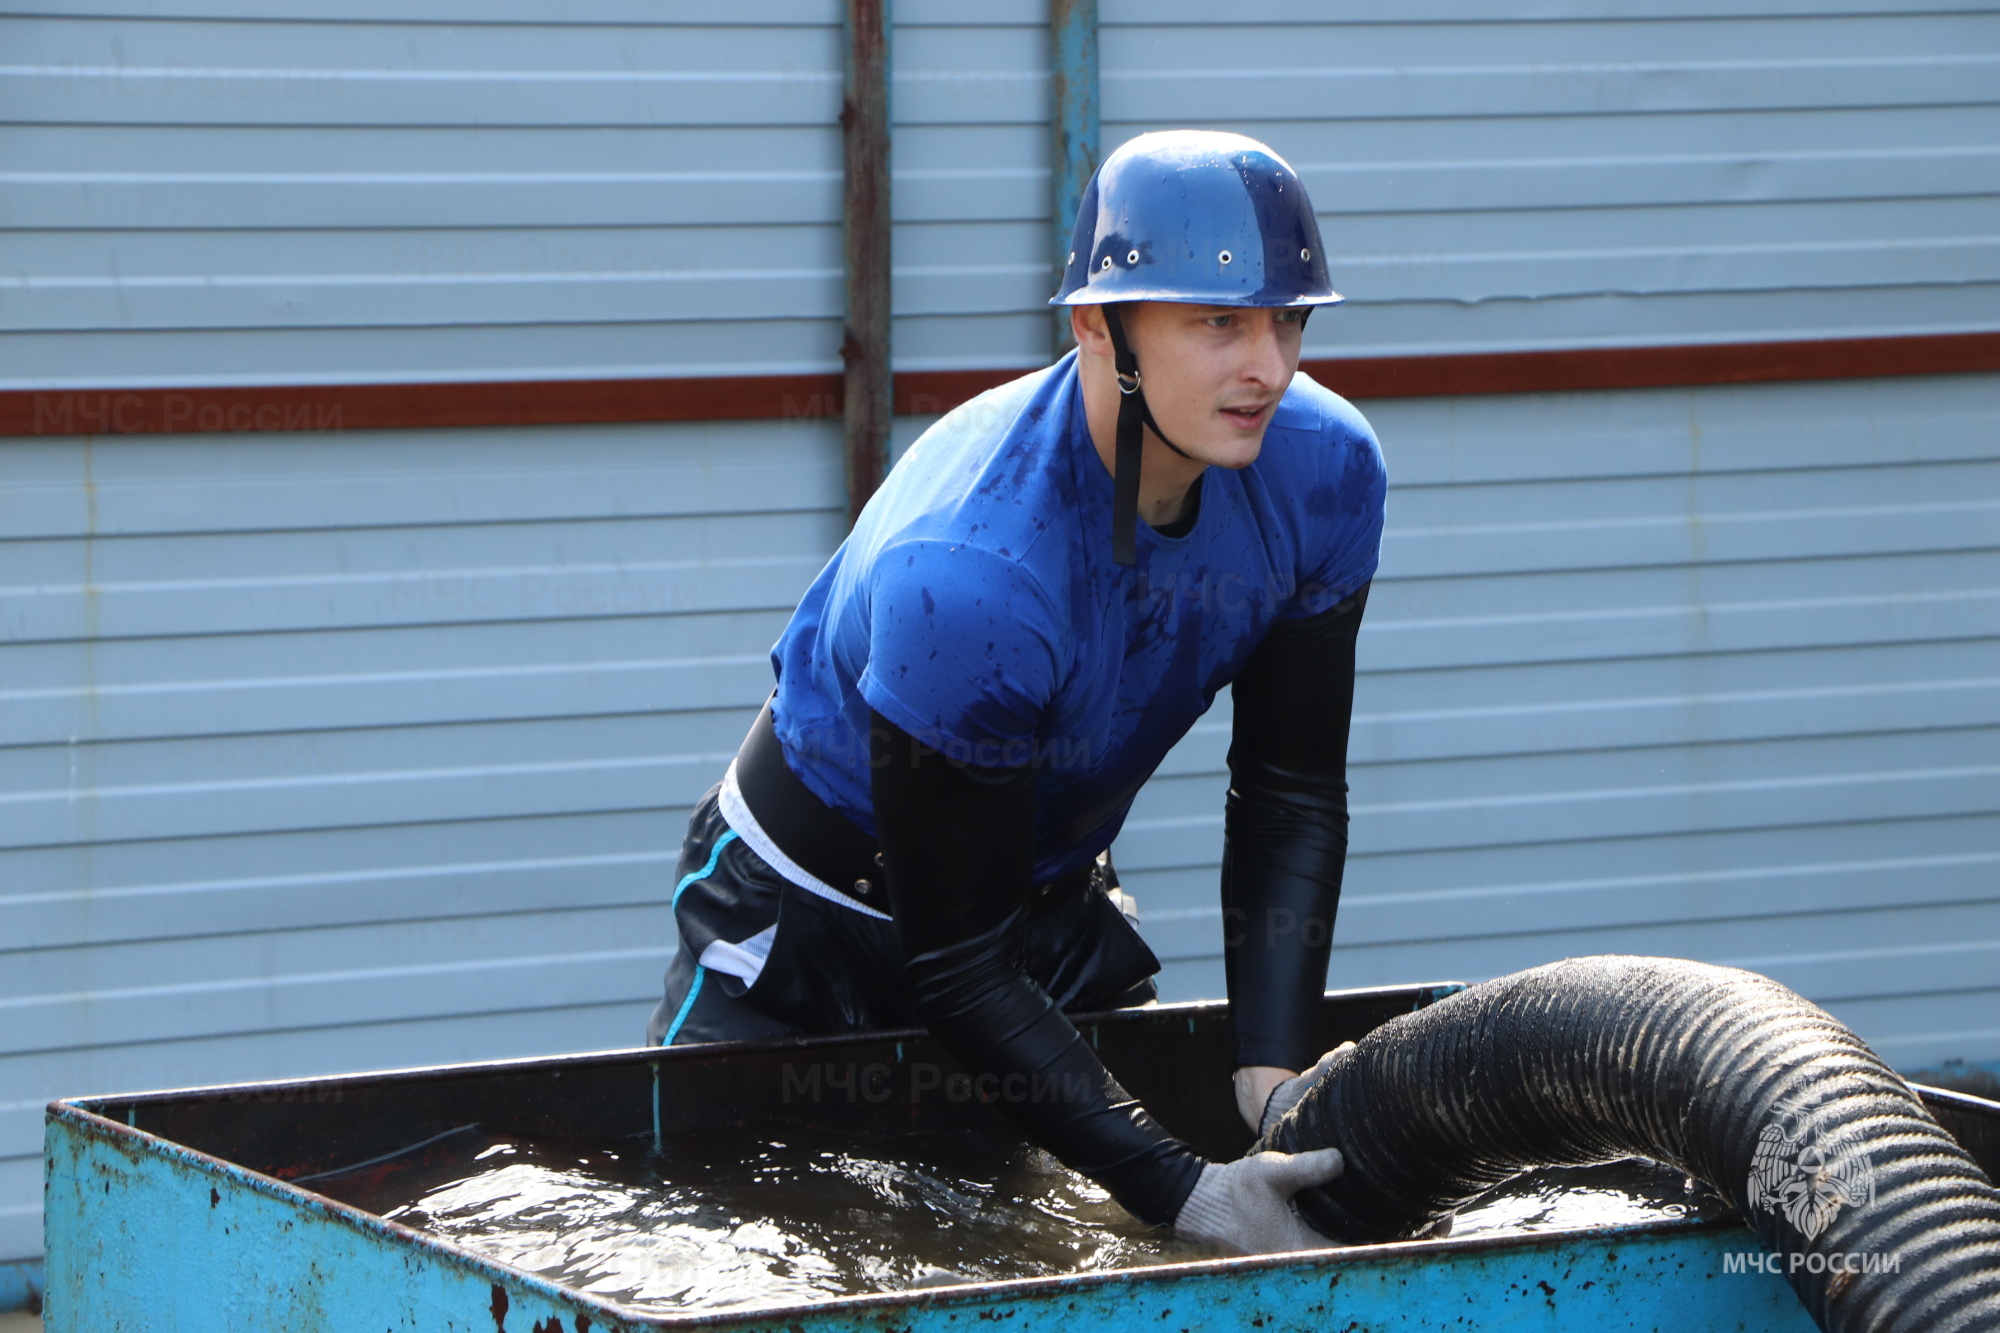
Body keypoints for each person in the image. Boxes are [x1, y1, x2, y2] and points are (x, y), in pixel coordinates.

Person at [646, 130, 1385, 1257]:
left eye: (1287, 320)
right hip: (807, 930)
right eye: (1217, 322)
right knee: (733, 1265)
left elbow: (1286, 787)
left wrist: (1271, 1072)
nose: (1268, 368)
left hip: (1032, 905)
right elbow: (952, 961)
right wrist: (1187, 1188)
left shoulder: (1323, 472)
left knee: (1097, 1259)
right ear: (1096, 326)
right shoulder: (975, 566)